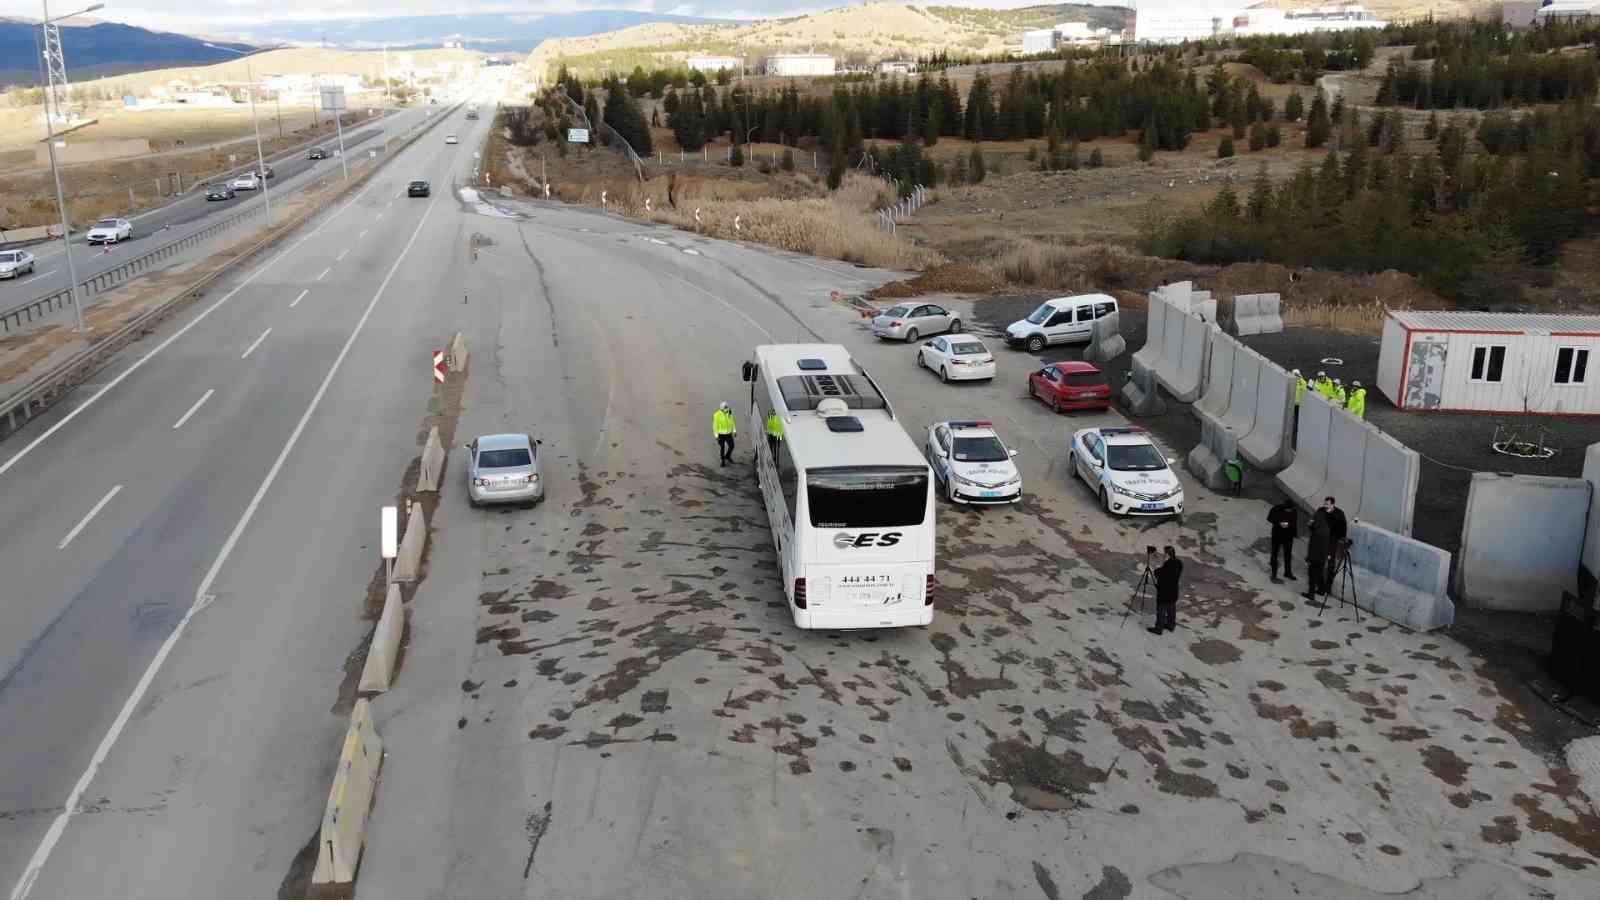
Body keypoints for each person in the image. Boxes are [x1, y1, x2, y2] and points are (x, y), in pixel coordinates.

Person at [1149, 545, 1183, 635]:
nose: (1164, 554)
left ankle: (1158, 628)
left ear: (1167, 554)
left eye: (1165, 553)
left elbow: (1161, 574)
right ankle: (1170, 625)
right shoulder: (1179, 563)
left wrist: (1157, 571)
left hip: (1164, 591)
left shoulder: (1168, 564)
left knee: (1161, 609)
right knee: (1171, 607)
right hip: (1174, 591)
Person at [1305, 501, 1331, 601]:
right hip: (1323, 556)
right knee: (1320, 572)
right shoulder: (1327, 527)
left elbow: (1313, 546)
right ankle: (1321, 589)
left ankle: (1311, 594)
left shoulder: (1317, 531)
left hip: (1315, 556)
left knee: (1312, 574)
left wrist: (1309, 558)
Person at [1267, 498, 1298, 582]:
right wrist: (1279, 523)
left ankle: (1287, 572)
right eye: (1288, 509)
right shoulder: (1276, 509)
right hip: (1277, 534)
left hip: (1288, 536)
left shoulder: (1293, 511)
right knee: (1274, 553)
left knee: (1288, 554)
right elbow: (1269, 518)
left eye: (1290, 509)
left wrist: (1294, 534)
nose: (1289, 511)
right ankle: (1274, 573)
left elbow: (1294, 522)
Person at [1322, 496, 1348, 591]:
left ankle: (1328, 586)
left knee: (1330, 564)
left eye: (1327, 504)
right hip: (1323, 540)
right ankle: (1320, 583)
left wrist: (1340, 539)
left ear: (1332, 504)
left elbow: (1343, 528)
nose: (1325, 506)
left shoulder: (1339, 514)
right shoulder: (1322, 511)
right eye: (1325, 504)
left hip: (1332, 542)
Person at [712, 402, 737, 467]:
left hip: (728, 434)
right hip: (721, 435)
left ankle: (727, 456)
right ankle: (722, 461)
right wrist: (716, 436)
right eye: (725, 408)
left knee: (732, 446)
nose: (726, 410)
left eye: (727, 408)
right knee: (722, 448)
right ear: (721, 409)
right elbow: (715, 426)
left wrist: (734, 431)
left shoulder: (729, 413)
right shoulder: (716, 415)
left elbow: (732, 422)